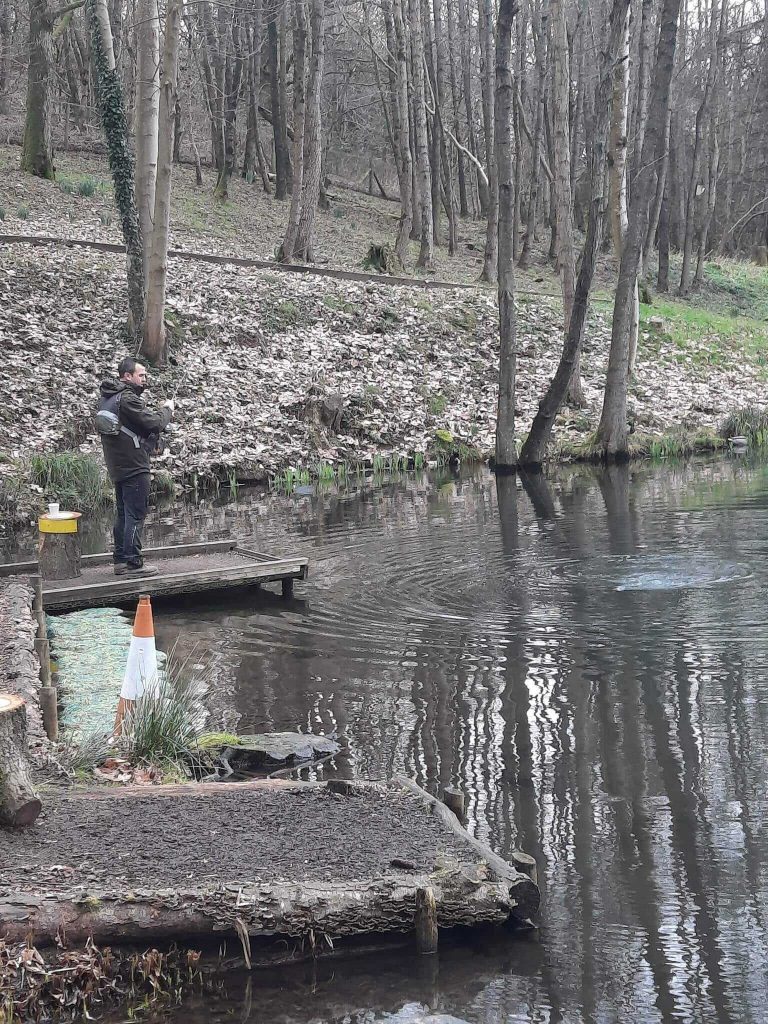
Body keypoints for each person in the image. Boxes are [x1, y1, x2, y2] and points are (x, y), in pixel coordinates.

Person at [97, 357, 174, 576]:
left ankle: (120, 560)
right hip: (134, 465)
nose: (144, 380)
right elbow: (154, 422)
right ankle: (133, 563)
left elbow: (132, 427)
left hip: (118, 465)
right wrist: (167, 410)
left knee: (123, 514)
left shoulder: (108, 399)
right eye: (141, 375)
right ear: (127, 376)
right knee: (135, 514)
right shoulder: (127, 398)